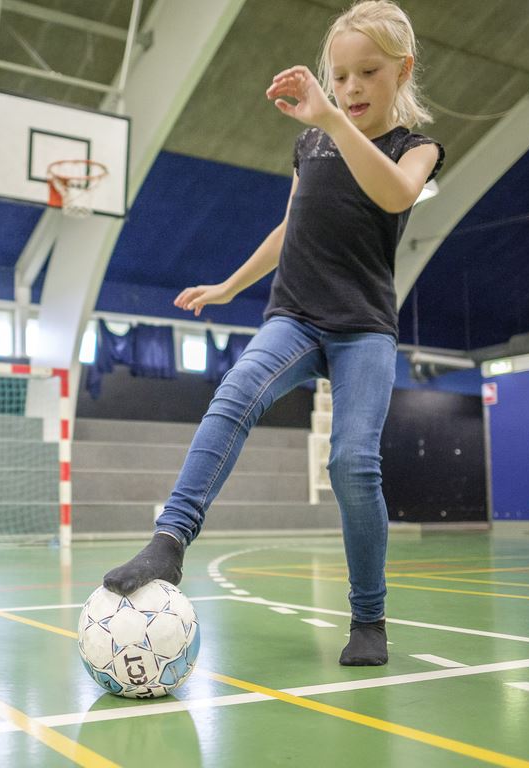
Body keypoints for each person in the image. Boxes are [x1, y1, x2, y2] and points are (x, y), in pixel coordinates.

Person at [103, 0, 443, 667]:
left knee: (352, 463)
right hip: (296, 316)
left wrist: (332, 120)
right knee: (235, 394)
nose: (350, 89)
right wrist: (230, 286)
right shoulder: (311, 144)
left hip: (364, 329)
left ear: (403, 70)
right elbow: (292, 226)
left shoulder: (414, 149)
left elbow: (396, 194)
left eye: (367, 73)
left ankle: (368, 617)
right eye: (339, 77)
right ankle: (169, 540)